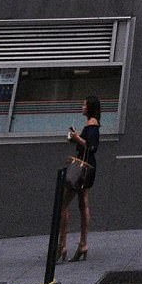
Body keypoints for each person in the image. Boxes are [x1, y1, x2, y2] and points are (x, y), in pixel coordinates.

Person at [58, 96, 100, 263]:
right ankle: (83, 244)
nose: (82, 107)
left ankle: (62, 245)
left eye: (84, 104)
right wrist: (74, 138)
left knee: (63, 204)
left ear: (90, 107)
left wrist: (76, 138)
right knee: (83, 204)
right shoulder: (91, 124)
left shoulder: (92, 124)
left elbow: (91, 146)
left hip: (82, 168)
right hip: (88, 167)